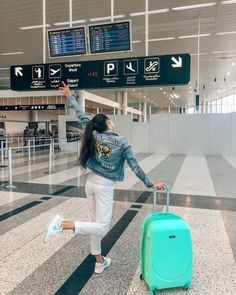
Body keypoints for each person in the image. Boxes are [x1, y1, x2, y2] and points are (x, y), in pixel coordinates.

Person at [44, 82, 166, 274]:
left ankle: (99, 261)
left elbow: (81, 115)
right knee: (101, 227)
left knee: (94, 224)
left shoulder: (93, 134)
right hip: (104, 186)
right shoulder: (122, 141)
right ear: (108, 122)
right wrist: (150, 183)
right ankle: (62, 225)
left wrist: (69, 96)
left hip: (91, 183)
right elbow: (134, 165)